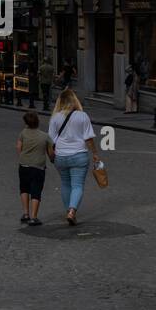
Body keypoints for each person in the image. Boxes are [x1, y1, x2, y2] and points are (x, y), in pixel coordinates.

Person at [47, 90, 99, 226]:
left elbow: (50, 140)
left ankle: (67, 211)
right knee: (77, 185)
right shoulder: (82, 116)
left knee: (65, 184)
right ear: (75, 100)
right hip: (79, 155)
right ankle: (72, 211)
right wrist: (95, 153)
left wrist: (51, 155)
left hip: (61, 156)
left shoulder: (55, 117)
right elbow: (88, 138)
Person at [16, 111, 50, 227]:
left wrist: (23, 157)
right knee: (36, 191)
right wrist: (52, 158)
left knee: (24, 188)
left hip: (24, 165)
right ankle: (34, 217)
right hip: (38, 167)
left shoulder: (23, 133)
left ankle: (26, 214)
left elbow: (18, 147)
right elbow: (51, 152)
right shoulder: (45, 136)